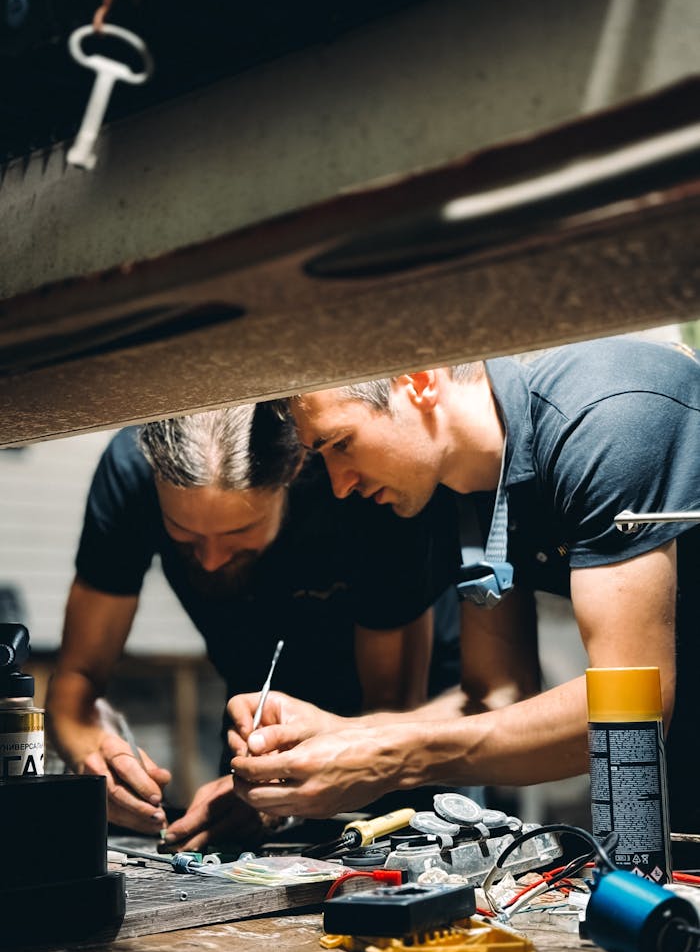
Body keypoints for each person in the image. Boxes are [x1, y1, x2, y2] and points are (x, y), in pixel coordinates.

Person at [230, 338, 700, 849]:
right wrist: (338, 736)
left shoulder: (602, 417)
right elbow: (496, 695)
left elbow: (630, 709)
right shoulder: (467, 487)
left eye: (341, 443)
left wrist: (391, 756)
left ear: (419, 381)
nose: (340, 486)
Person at [46, 403, 457, 850]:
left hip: (410, 728)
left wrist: (274, 801)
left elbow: (390, 711)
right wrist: (95, 757)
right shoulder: (130, 472)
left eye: (240, 535)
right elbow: (78, 678)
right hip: (253, 719)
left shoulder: (357, 485)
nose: (211, 559)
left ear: (298, 467)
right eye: (183, 536)